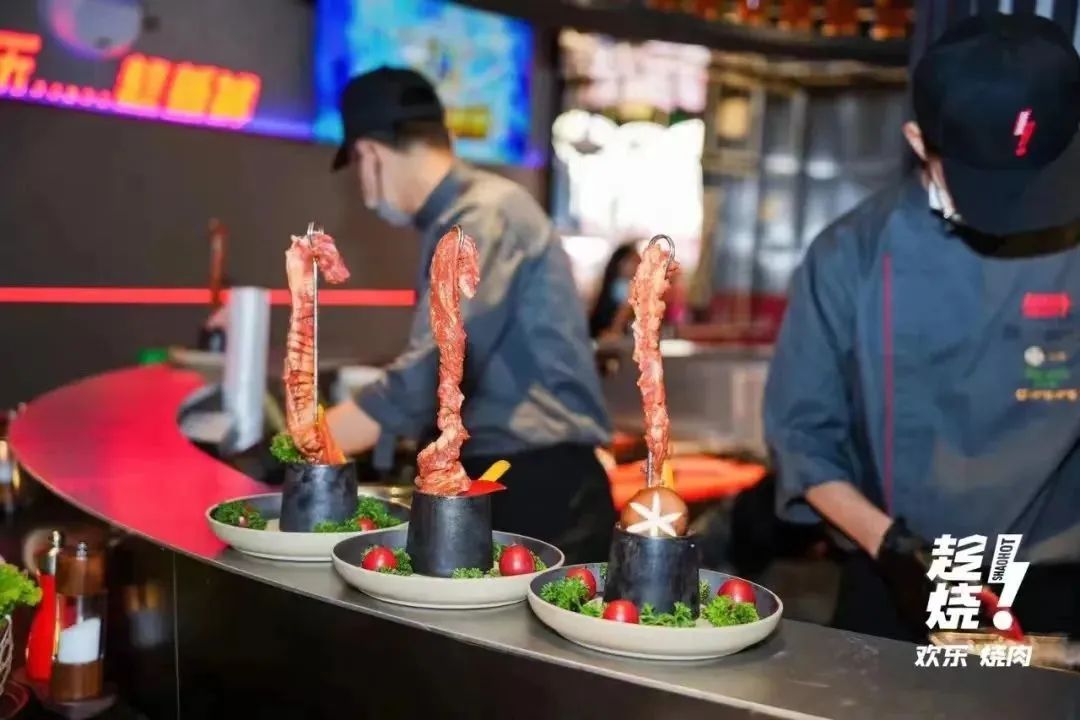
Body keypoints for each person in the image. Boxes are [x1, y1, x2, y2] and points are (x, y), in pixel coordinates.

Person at [764, 13, 1080, 642]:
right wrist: (895, 550)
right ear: (917, 140)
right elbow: (803, 438)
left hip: (1059, 591)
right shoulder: (851, 253)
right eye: (989, 187)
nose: (1017, 211)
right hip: (899, 574)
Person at [324, 67, 617, 563]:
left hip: (539, 487)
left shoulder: (482, 216)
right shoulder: (470, 214)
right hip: (521, 476)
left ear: (369, 154)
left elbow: (433, 368)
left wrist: (306, 443)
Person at [589, 243, 640, 340]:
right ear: (620, 263)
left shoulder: (609, 286)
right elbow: (616, 326)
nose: (639, 265)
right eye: (634, 261)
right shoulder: (625, 288)